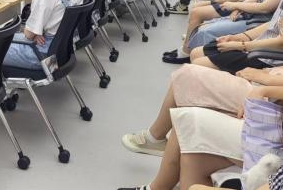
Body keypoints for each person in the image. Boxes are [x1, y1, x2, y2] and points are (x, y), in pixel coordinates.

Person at [120, 64, 283, 190]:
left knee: (188, 119)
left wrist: (266, 84)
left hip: (274, 127)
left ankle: (156, 172)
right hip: (273, 95)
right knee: (196, 156)